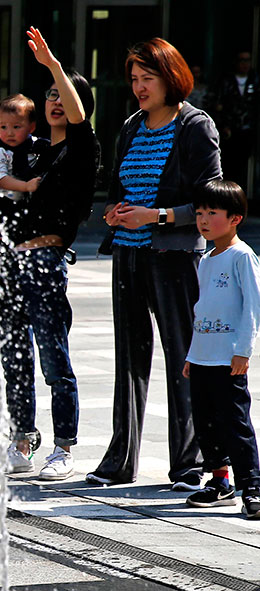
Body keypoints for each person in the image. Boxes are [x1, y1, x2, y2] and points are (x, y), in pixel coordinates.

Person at [90, 38, 222, 490]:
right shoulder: (132, 125)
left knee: (183, 358)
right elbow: (119, 187)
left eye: (148, 78)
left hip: (174, 258)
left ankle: (189, 463)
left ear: (171, 78)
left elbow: (209, 201)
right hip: (127, 253)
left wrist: (156, 216)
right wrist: (115, 211)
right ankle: (119, 460)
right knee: (129, 359)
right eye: (134, 79)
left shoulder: (195, 126)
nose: (139, 87)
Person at [0, 27, 97, 481]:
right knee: (14, 358)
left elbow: (78, 119)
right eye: (49, 94)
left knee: (53, 359)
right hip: (9, 262)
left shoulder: (81, 150)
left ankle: (63, 447)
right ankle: (20, 443)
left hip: (45, 263)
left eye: (63, 95)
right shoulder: (33, 152)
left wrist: (52, 64)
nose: (55, 101)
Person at [181, 180, 260, 519]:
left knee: (235, 423)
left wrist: (243, 350)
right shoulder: (206, 258)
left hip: (228, 359)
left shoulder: (242, 257)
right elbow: (202, 310)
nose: (203, 219)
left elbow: (253, 306)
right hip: (202, 357)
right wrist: (191, 355)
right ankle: (220, 481)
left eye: (212, 212)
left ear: (235, 219)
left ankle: (252, 487)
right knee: (206, 423)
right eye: (199, 212)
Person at [0, 93, 49, 200]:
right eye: (3, 127)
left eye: (16, 127)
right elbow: (0, 179)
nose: (9, 133)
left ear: (31, 127)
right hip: (1, 202)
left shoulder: (36, 145)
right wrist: (26, 186)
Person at [212, 51, 257, 193]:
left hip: (248, 129)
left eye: (247, 60)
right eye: (242, 60)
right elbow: (218, 105)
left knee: (244, 166)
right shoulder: (226, 81)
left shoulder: (255, 80)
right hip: (229, 130)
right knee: (228, 165)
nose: (245, 64)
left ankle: (243, 195)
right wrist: (223, 125)